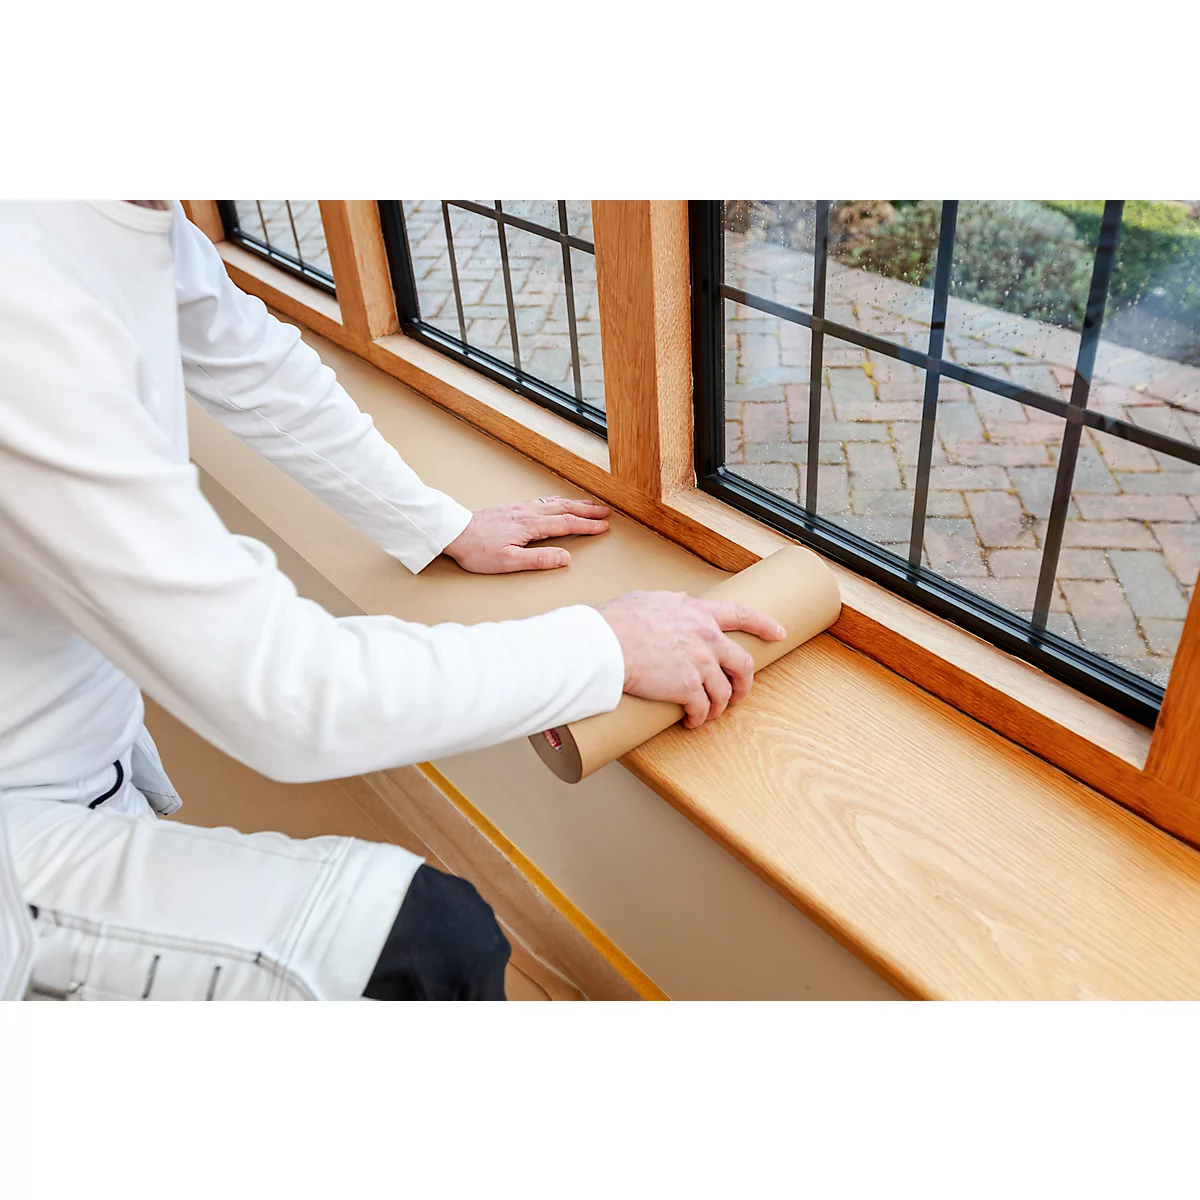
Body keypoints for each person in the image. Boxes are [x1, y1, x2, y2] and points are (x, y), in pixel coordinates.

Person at [0, 201, 784, 1002]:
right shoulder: (22, 297)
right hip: (21, 812)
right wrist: (609, 648)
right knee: (427, 945)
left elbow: (253, 362)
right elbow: (286, 696)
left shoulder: (128, 215)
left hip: (73, 763)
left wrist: (438, 525)